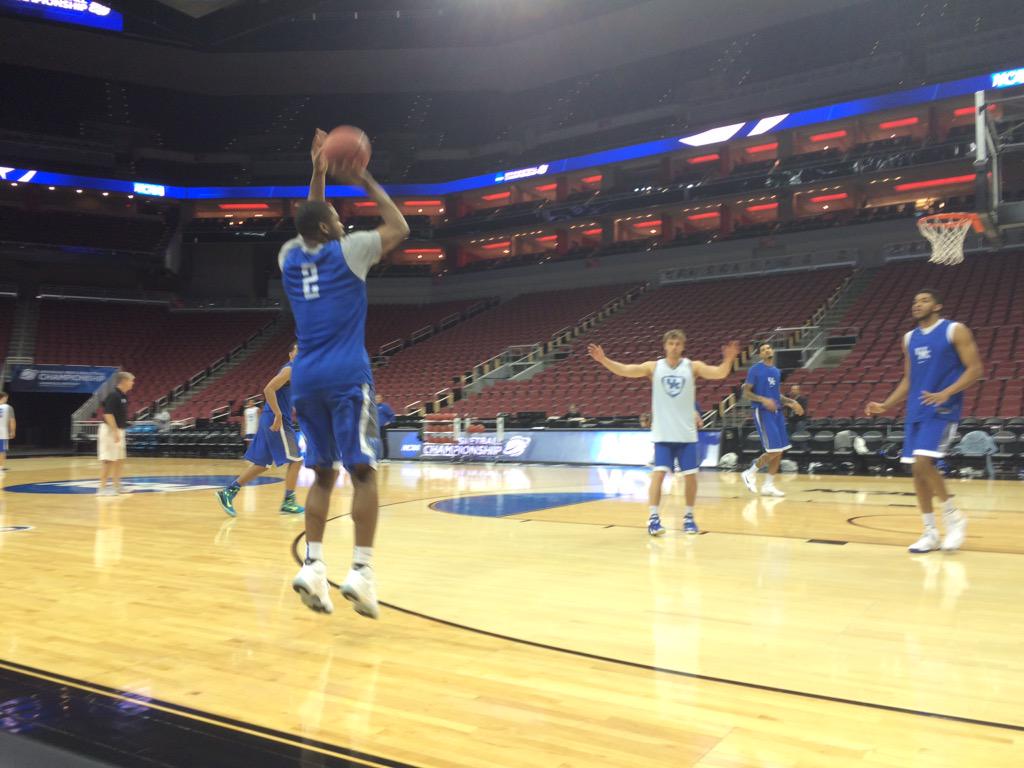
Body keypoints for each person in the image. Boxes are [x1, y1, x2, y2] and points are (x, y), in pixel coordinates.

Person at [285, 128, 409, 618]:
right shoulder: (351, 250)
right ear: (330, 228)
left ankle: (313, 566)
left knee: (320, 473)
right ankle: (361, 571)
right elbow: (399, 227)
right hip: (344, 374)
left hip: (305, 376)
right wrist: (364, 179)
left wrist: (318, 173)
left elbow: (309, 219)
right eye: (337, 216)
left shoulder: (291, 258)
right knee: (362, 472)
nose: (341, 219)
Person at [588, 330, 740, 535]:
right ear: (665, 346)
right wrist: (604, 360)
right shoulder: (654, 367)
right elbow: (625, 370)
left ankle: (688, 517)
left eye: (678, 343)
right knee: (658, 475)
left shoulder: (692, 366)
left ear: (683, 346)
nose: (674, 347)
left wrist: (728, 360)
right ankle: (653, 518)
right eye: (671, 343)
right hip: (663, 434)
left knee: (690, 477)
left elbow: (720, 373)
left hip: (686, 434)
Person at [866, 288, 982, 553]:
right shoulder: (909, 338)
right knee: (917, 472)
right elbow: (909, 380)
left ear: (938, 305)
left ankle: (954, 519)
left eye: (924, 300)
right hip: (915, 411)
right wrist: (885, 405)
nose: (917, 304)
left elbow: (975, 369)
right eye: (915, 301)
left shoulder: (955, 330)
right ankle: (930, 532)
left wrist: (947, 392)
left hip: (942, 409)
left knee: (923, 462)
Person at [216, 343, 305, 517]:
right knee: (297, 460)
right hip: (276, 420)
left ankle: (228, 492)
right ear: (291, 354)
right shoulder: (290, 369)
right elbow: (268, 389)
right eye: (297, 349)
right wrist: (279, 414)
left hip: (269, 418)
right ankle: (289, 501)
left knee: (262, 464)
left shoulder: (297, 373)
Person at [741, 343, 804, 497]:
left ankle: (768, 485)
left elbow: (777, 395)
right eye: (763, 349)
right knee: (773, 450)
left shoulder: (776, 371)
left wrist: (791, 402)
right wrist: (763, 399)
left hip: (777, 412)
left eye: (768, 348)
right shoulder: (755, 369)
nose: (766, 350)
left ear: (772, 351)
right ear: (760, 355)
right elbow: (746, 393)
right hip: (762, 412)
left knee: (780, 450)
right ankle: (749, 473)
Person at [98, 372, 134, 496]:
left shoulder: (123, 396)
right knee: (108, 459)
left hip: (119, 430)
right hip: (109, 430)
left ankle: (117, 486)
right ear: (123, 381)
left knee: (119, 459)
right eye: (131, 381)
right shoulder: (114, 395)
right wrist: (114, 432)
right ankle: (101, 489)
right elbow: (108, 414)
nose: (132, 383)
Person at [376, 393, 395, 460]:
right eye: (376, 398)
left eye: (378, 398)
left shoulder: (385, 406)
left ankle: (385, 458)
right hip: (375, 428)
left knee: (384, 442)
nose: (377, 399)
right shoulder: (373, 406)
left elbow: (392, 415)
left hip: (383, 427)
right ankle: (376, 457)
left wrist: (389, 422)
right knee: (375, 442)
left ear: (381, 399)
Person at [0, 392, 15, 471]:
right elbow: (12, 420)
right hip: (2, 432)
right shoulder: (8, 407)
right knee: (2, 450)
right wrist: (12, 431)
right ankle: (0, 467)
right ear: (4, 398)